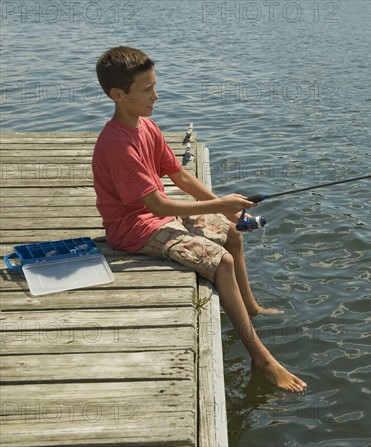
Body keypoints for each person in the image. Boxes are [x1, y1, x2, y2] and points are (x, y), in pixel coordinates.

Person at [92, 46, 307, 393]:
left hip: (156, 218)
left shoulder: (146, 126)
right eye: (146, 89)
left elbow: (180, 177)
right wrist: (219, 202)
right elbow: (159, 206)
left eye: (154, 86)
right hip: (134, 230)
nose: (156, 95)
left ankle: (249, 307)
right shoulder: (118, 144)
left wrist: (223, 208)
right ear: (118, 94)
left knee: (232, 231)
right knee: (219, 259)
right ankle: (261, 358)